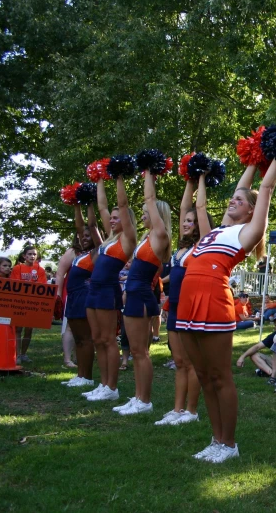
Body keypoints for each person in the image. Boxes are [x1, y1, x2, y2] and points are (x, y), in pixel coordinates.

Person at [177, 157, 276, 463]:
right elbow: (235, 190)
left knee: (220, 376)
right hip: (188, 302)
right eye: (231, 198)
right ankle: (216, 438)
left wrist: (274, 157)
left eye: (240, 199)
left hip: (213, 301)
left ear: (251, 209)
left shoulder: (247, 232)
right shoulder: (216, 230)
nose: (233, 199)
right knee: (204, 375)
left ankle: (229, 443)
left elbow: (265, 187)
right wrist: (251, 159)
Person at [112, 171, 173, 416]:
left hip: (142, 296)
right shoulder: (147, 237)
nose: (144, 214)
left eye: (148, 212)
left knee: (140, 351)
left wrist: (148, 171)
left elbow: (149, 197)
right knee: (136, 351)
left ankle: (144, 400)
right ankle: (138, 397)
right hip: (135, 293)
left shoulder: (160, 235)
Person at [156, 176, 213, 427]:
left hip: (192, 309)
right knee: (179, 362)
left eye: (192, 221)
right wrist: (189, 179)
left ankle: (191, 411)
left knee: (190, 363)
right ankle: (177, 409)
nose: (187, 223)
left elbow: (197, 208)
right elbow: (183, 208)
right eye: (185, 221)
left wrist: (200, 178)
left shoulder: (203, 245)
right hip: (175, 306)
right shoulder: (179, 249)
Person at [83, 173, 137, 403]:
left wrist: (119, 176)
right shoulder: (109, 239)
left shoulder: (128, 238)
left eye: (117, 217)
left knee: (107, 339)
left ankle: (112, 386)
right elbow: (102, 206)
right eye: (112, 218)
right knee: (97, 339)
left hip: (107, 291)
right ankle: (103, 383)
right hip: (93, 290)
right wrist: (99, 178)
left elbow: (122, 204)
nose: (113, 220)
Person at [59, 204, 101, 387]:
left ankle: (87, 377)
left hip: (85, 296)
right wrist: (77, 205)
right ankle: (80, 375)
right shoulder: (78, 253)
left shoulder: (96, 252)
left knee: (85, 339)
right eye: (81, 236)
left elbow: (91, 226)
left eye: (88, 236)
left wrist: (90, 205)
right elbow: (79, 225)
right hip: (73, 297)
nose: (84, 238)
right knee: (78, 339)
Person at [11, 245, 47, 363]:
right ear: (24, 256)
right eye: (30, 254)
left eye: (34, 254)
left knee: (29, 329)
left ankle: (23, 354)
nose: (32, 256)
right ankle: (16, 355)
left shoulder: (40, 270)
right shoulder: (17, 268)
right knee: (18, 329)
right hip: (20, 303)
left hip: (33, 304)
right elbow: (14, 285)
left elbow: (43, 287)